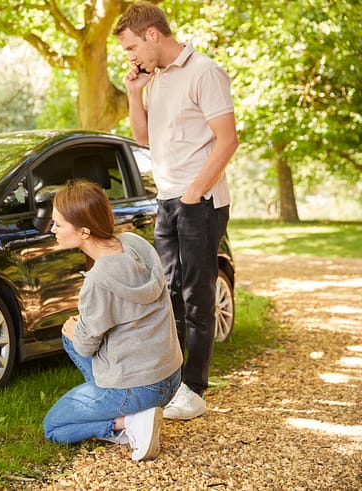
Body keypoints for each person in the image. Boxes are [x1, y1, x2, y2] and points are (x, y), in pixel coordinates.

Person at [114, 2, 239, 420]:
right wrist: (134, 93)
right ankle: (172, 382)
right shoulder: (156, 80)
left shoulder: (204, 72)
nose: (130, 57)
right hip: (166, 201)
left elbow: (227, 140)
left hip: (199, 202)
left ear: (152, 34)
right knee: (168, 294)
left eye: (131, 47)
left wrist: (192, 194)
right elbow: (144, 136)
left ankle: (195, 390)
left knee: (196, 294)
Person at [42, 179, 182, 461]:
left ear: (83, 231)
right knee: (73, 334)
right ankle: (124, 410)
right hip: (171, 374)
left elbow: (84, 346)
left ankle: (130, 423)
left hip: (142, 388)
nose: (52, 229)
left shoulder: (97, 280)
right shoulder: (135, 244)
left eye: (58, 224)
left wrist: (76, 329)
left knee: (54, 426)